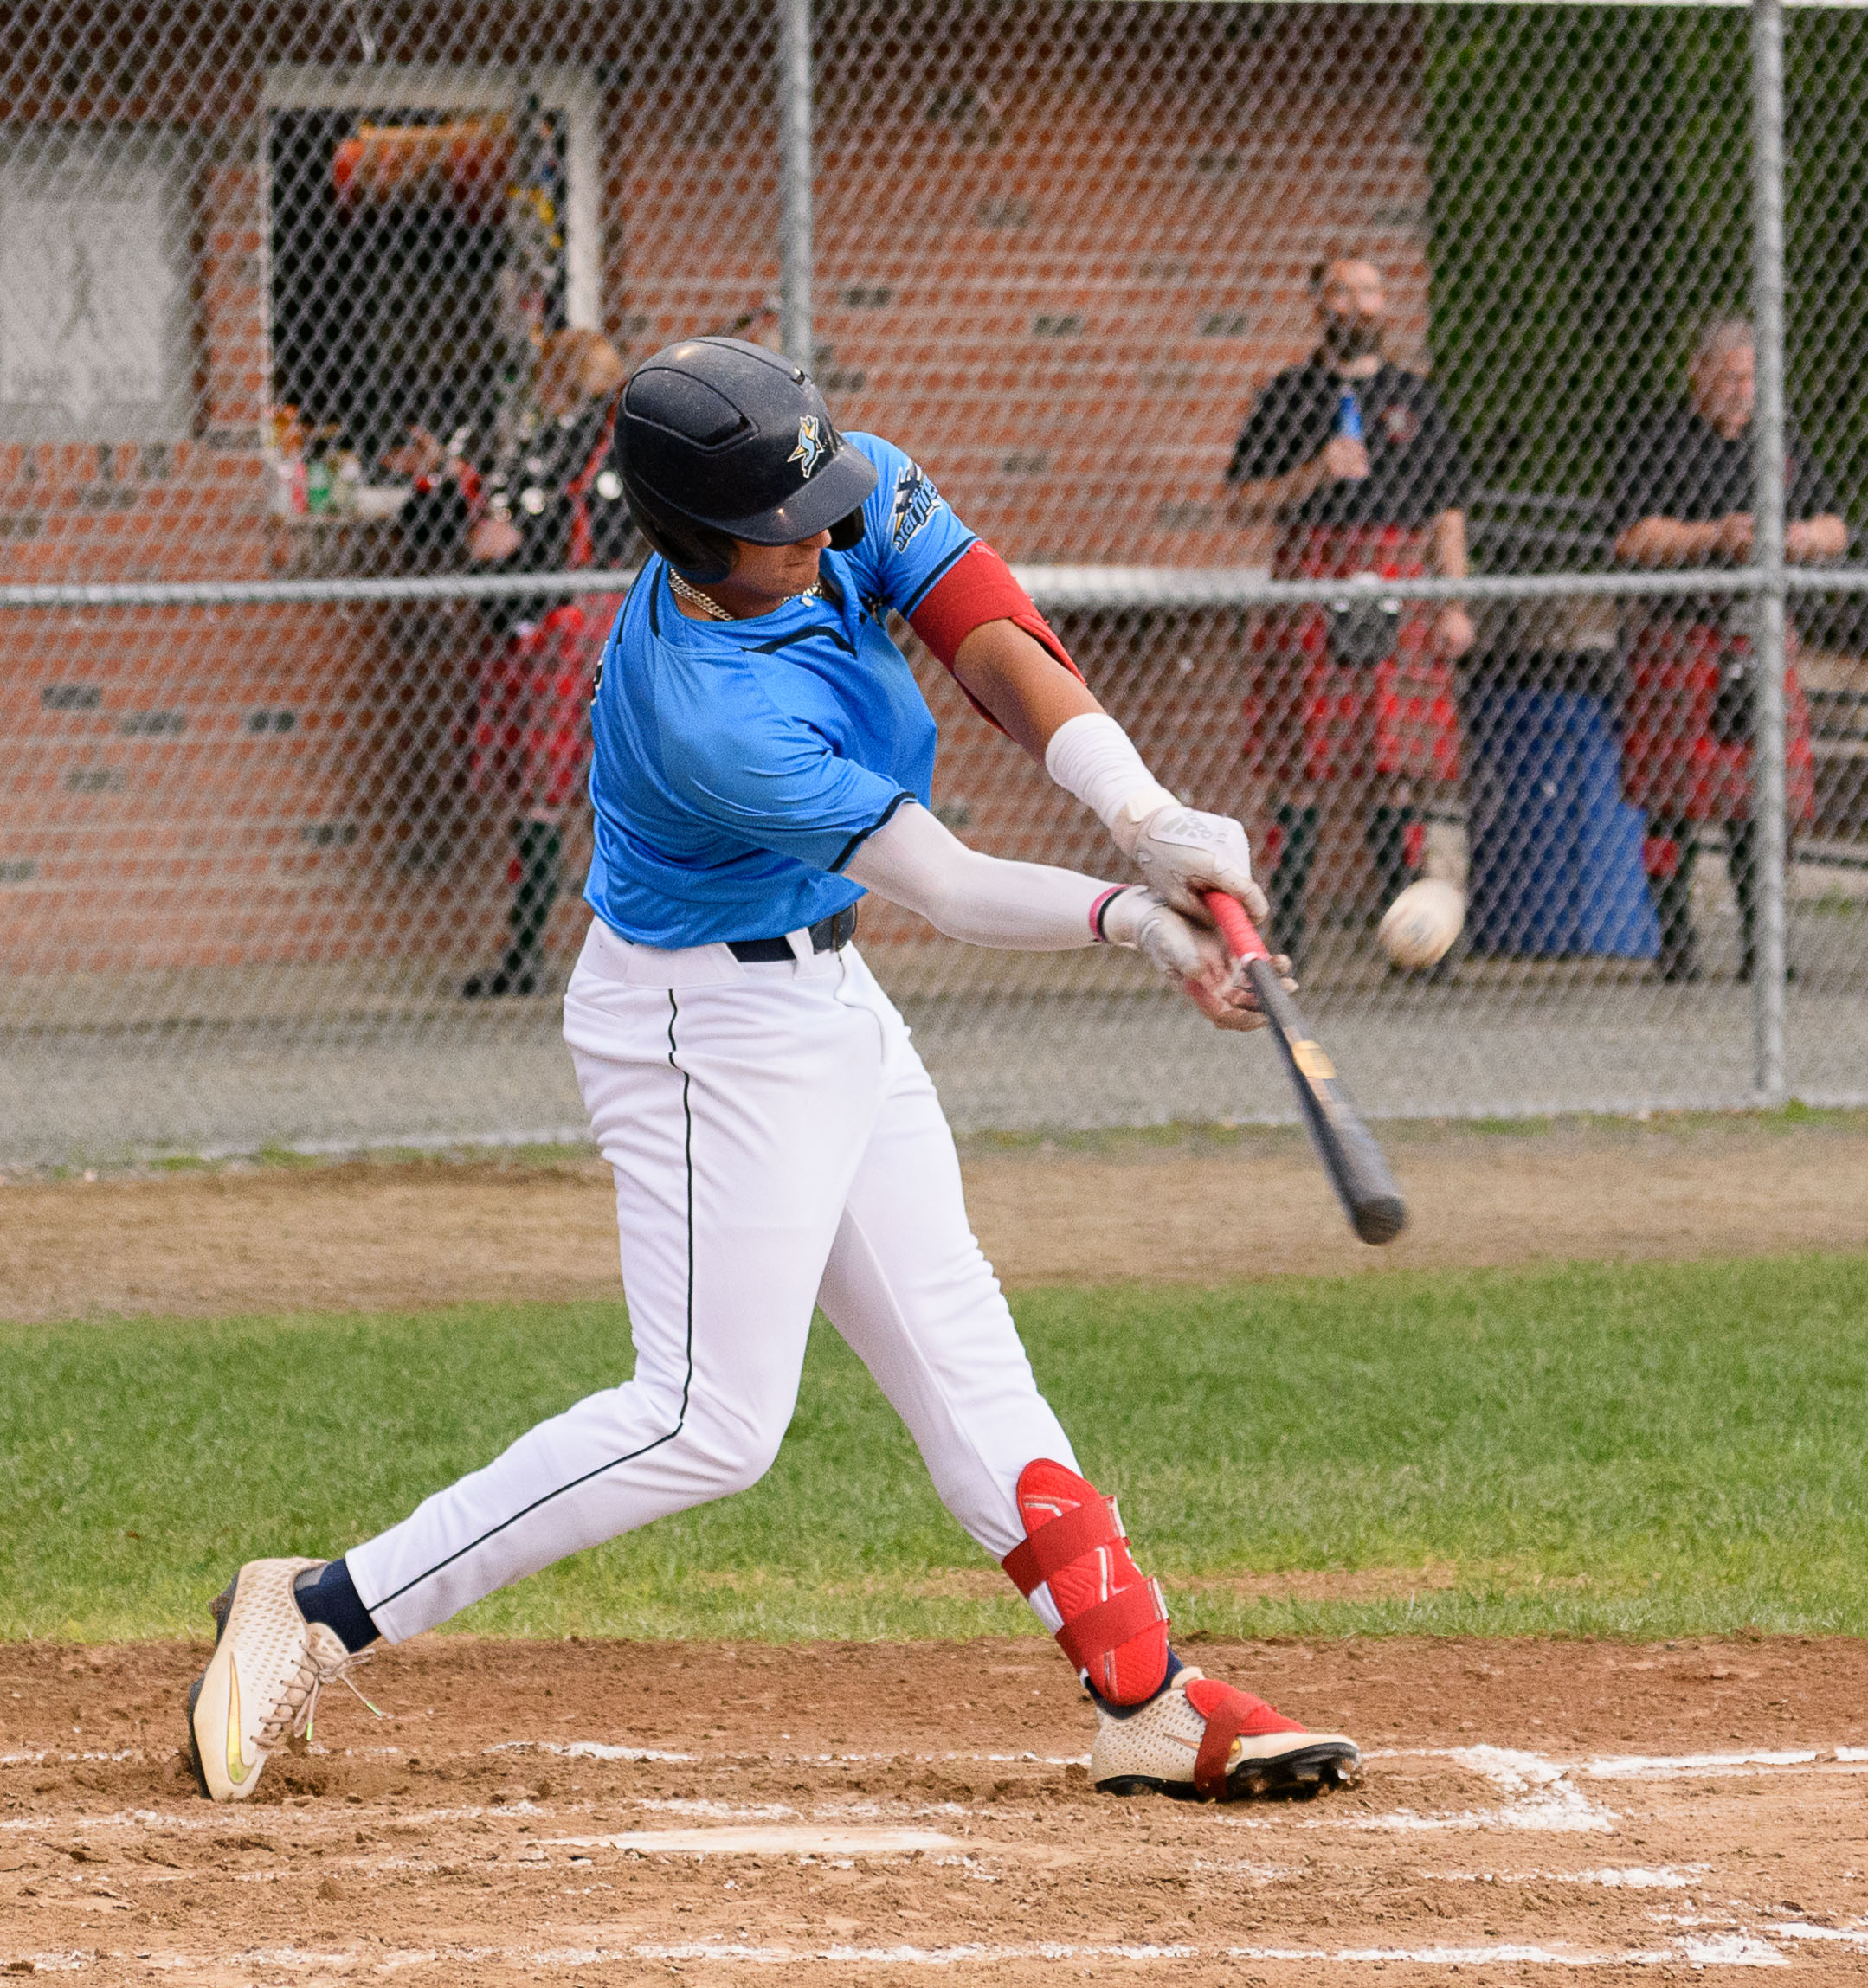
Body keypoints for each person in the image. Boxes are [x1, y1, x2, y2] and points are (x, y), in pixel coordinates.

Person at [182, 336, 1361, 1811]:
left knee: (963, 1349)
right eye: (783, 526)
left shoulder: (813, 486)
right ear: (694, 535)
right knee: (703, 1421)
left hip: (826, 1001)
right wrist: (1133, 915)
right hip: (697, 1033)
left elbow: (985, 626)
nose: (824, 532)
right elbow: (939, 878)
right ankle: (319, 1605)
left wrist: (1136, 806)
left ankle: (1141, 1694)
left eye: (823, 500)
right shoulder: (707, 710)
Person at [1226, 254, 1473, 968]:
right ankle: (1288, 936)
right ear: (1319, 304)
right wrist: (1311, 474)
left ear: (1384, 305)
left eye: (1369, 291)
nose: (1357, 304)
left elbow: (1447, 513)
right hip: (1312, 572)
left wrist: (1454, 602)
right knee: (1300, 764)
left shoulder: (1416, 398)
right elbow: (1239, 500)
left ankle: (1416, 944)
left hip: (1398, 575)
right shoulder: (1286, 396)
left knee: (1395, 766)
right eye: (1342, 291)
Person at [385, 326, 634, 998]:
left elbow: (579, 516)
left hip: (575, 615)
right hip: (526, 617)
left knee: (568, 787)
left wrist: (523, 531)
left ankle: (585, 951)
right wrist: (442, 476)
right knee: (542, 788)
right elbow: (470, 520)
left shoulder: (608, 436)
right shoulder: (541, 439)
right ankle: (528, 953)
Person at [1612, 317, 1846, 981]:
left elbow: (1836, 526)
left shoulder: (1780, 442)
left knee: (1759, 804)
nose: (1744, 391)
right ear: (1699, 374)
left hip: (1761, 638)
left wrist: (1798, 537)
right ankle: (1675, 943)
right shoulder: (1658, 440)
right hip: (1682, 638)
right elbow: (1632, 538)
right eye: (1731, 376)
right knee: (1670, 803)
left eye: (1753, 378)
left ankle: (1762, 949)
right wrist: (1714, 534)